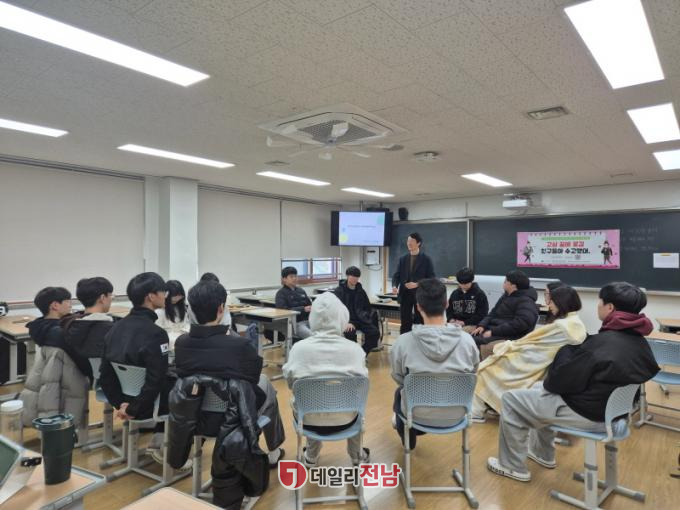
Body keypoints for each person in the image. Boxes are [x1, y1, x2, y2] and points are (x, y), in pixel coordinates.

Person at [487, 282, 660, 482]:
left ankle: (511, 466)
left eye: (600, 302)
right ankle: (542, 453)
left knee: (511, 399)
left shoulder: (602, 344)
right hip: (615, 414)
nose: (598, 306)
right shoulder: (639, 342)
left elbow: (557, 383)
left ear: (610, 307)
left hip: (590, 415)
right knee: (536, 390)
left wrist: (564, 353)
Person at [173, 281, 285, 467]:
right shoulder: (238, 345)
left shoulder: (181, 343)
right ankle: (274, 450)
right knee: (266, 385)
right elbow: (252, 378)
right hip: (234, 417)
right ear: (221, 309)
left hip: (195, 417)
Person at [472, 285, 586, 421]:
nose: (549, 304)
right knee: (493, 354)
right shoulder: (576, 323)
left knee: (484, 369)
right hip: (542, 359)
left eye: (552, 300)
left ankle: (477, 412)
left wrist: (509, 346)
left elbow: (531, 341)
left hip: (534, 360)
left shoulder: (561, 326)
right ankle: (494, 405)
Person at [282, 292, 370, 467]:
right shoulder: (355, 350)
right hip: (346, 421)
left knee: (308, 398)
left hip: (308, 422)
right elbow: (362, 385)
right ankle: (356, 455)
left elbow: (291, 383)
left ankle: (311, 455)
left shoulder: (298, 349)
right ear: (342, 316)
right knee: (355, 401)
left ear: (313, 317)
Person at [99, 272, 177, 465]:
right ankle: (172, 453)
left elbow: (105, 375)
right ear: (151, 296)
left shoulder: (114, 328)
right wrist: (134, 408)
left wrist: (121, 404)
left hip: (126, 402)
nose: (165, 296)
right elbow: (156, 379)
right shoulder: (156, 334)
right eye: (163, 292)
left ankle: (158, 442)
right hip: (148, 405)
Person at [390, 278, 479, 449]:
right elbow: (473, 372)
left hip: (416, 414)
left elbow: (398, 377)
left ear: (418, 307)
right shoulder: (467, 341)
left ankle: (408, 437)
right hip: (457, 413)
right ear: (447, 304)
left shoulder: (403, 342)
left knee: (399, 393)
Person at [20, 287, 90, 428]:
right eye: (67, 301)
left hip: (52, 383)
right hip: (68, 385)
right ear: (55, 305)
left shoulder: (40, 327)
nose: (70, 304)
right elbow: (84, 362)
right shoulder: (61, 333)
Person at [62, 277, 117, 382]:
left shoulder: (72, 324)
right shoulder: (109, 329)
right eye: (111, 295)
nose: (111, 298)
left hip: (85, 378)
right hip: (110, 381)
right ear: (102, 298)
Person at [471, 270, 538, 346]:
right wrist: (482, 325)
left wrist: (493, 331)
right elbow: (493, 313)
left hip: (510, 336)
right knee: (468, 337)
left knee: (473, 342)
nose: (504, 283)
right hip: (495, 330)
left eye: (506, 281)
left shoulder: (526, 302)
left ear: (513, 286)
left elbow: (520, 324)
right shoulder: (506, 295)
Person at [391, 232, 436, 334]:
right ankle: (404, 341)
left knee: (419, 321)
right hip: (405, 294)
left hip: (420, 295)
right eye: (408, 241)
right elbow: (396, 275)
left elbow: (432, 278)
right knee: (405, 322)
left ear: (418, 243)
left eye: (411, 241)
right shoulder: (403, 259)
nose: (409, 243)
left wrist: (417, 284)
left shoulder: (426, 259)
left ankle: (419, 340)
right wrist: (394, 286)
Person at [333, 266, 380, 355]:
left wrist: (366, 317)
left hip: (361, 319)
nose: (355, 279)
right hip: (347, 321)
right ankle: (354, 356)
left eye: (357, 277)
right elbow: (335, 309)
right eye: (353, 276)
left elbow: (367, 307)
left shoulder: (361, 291)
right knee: (350, 334)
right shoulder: (339, 291)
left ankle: (362, 354)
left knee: (375, 333)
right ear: (347, 276)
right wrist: (346, 322)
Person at [446, 267, 489, 334]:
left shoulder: (479, 294)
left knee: (458, 333)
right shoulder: (455, 293)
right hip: (455, 324)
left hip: (472, 324)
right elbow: (449, 310)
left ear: (471, 281)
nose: (463, 286)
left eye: (465, 284)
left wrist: (464, 322)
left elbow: (482, 314)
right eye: (461, 283)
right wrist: (451, 319)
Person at [275, 266, 312, 339]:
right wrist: (303, 309)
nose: (294, 278)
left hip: (309, 321)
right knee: (313, 337)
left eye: (295, 276)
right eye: (291, 277)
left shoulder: (301, 291)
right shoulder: (281, 293)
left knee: (327, 332)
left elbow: (309, 305)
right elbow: (282, 311)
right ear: (284, 279)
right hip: (295, 323)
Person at [156, 279, 190, 346]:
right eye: (174, 296)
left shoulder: (182, 308)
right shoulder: (160, 311)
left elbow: (186, 324)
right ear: (166, 295)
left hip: (182, 338)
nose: (177, 299)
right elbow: (158, 331)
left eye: (179, 296)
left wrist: (185, 331)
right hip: (169, 341)